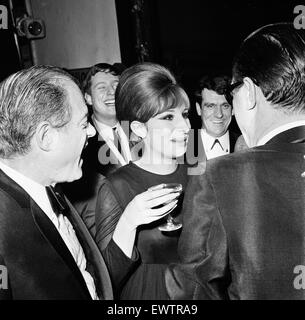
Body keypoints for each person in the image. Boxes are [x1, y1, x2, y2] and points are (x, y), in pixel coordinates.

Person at [0, 65, 176, 300]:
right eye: (83, 124)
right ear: (46, 137)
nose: (92, 132)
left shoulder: (53, 189)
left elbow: (92, 284)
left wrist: (128, 223)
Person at [165, 23, 305, 300]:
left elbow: (192, 290)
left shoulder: (220, 177)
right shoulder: (191, 147)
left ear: (250, 91)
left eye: (232, 93)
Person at [95, 62, 191, 299]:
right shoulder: (116, 185)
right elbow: (104, 279)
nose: (185, 126)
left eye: (185, 114)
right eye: (168, 117)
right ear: (139, 128)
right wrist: (128, 222)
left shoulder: (199, 172)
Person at [63, 63, 133, 236]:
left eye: (116, 86)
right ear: (87, 98)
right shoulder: (78, 146)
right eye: (102, 87)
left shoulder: (143, 129)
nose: (112, 92)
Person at [192, 74, 239, 161]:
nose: (219, 114)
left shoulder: (245, 146)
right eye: (211, 106)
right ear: (199, 109)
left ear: (233, 109)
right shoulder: (182, 146)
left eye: (225, 106)